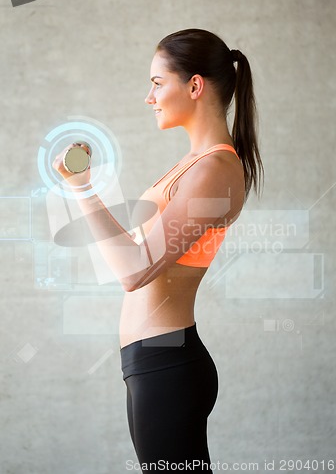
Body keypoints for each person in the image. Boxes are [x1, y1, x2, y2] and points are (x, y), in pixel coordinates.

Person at [53, 28, 263, 472]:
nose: (149, 97)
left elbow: (133, 271)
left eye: (156, 82)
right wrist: (83, 186)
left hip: (166, 361)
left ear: (194, 85)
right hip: (153, 361)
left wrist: (82, 189)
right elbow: (135, 253)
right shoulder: (193, 165)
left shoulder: (217, 170)